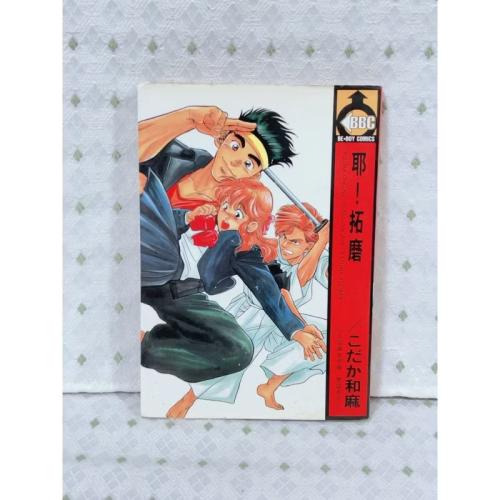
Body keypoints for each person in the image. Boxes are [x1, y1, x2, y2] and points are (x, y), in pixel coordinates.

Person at [140, 174, 325, 416]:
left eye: (237, 214)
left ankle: (146, 345)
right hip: (152, 269)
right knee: (160, 247)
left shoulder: (243, 249)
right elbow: (164, 219)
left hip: (183, 293)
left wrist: (296, 329)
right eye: (225, 206)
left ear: (251, 225)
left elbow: (268, 291)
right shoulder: (200, 216)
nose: (226, 215)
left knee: (239, 351)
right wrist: (187, 217)